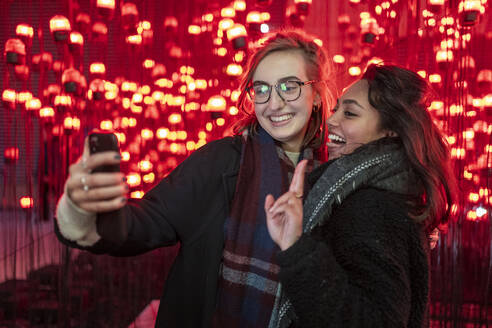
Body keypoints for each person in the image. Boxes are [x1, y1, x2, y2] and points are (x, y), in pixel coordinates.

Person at [54, 29, 333, 327]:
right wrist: (86, 210)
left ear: (316, 96)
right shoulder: (222, 161)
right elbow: (149, 220)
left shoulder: (334, 178)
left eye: (289, 87)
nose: (274, 103)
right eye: (262, 89)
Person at [264, 64, 456, 327]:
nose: (331, 120)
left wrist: (298, 251)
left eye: (350, 113)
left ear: (391, 131)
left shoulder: (370, 207)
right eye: (336, 109)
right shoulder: (384, 196)